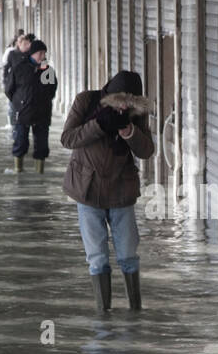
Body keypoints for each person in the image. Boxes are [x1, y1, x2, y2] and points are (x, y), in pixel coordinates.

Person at [61, 70, 155, 312]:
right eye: (120, 99)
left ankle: (135, 312)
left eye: (130, 101)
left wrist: (130, 133)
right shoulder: (86, 101)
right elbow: (68, 139)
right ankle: (104, 316)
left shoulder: (136, 113)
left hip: (121, 190)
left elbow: (147, 151)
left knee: (128, 255)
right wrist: (99, 124)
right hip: (87, 189)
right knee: (97, 257)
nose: (124, 105)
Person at [7, 38, 56, 174]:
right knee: (20, 141)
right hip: (23, 111)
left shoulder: (47, 70)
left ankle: (39, 172)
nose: (42, 56)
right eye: (39, 53)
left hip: (42, 112)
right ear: (32, 53)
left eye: (44, 53)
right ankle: (18, 169)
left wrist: (43, 101)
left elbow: (52, 89)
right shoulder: (20, 68)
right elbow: (9, 89)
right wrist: (19, 102)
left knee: (41, 144)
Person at [2, 32, 32, 125]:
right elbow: (6, 68)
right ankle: (13, 126)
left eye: (28, 44)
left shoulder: (31, 55)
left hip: (28, 86)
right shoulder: (12, 54)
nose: (27, 46)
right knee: (12, 107)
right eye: (25, 44)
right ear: (19, 44)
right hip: (14, 85)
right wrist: (6, 82)